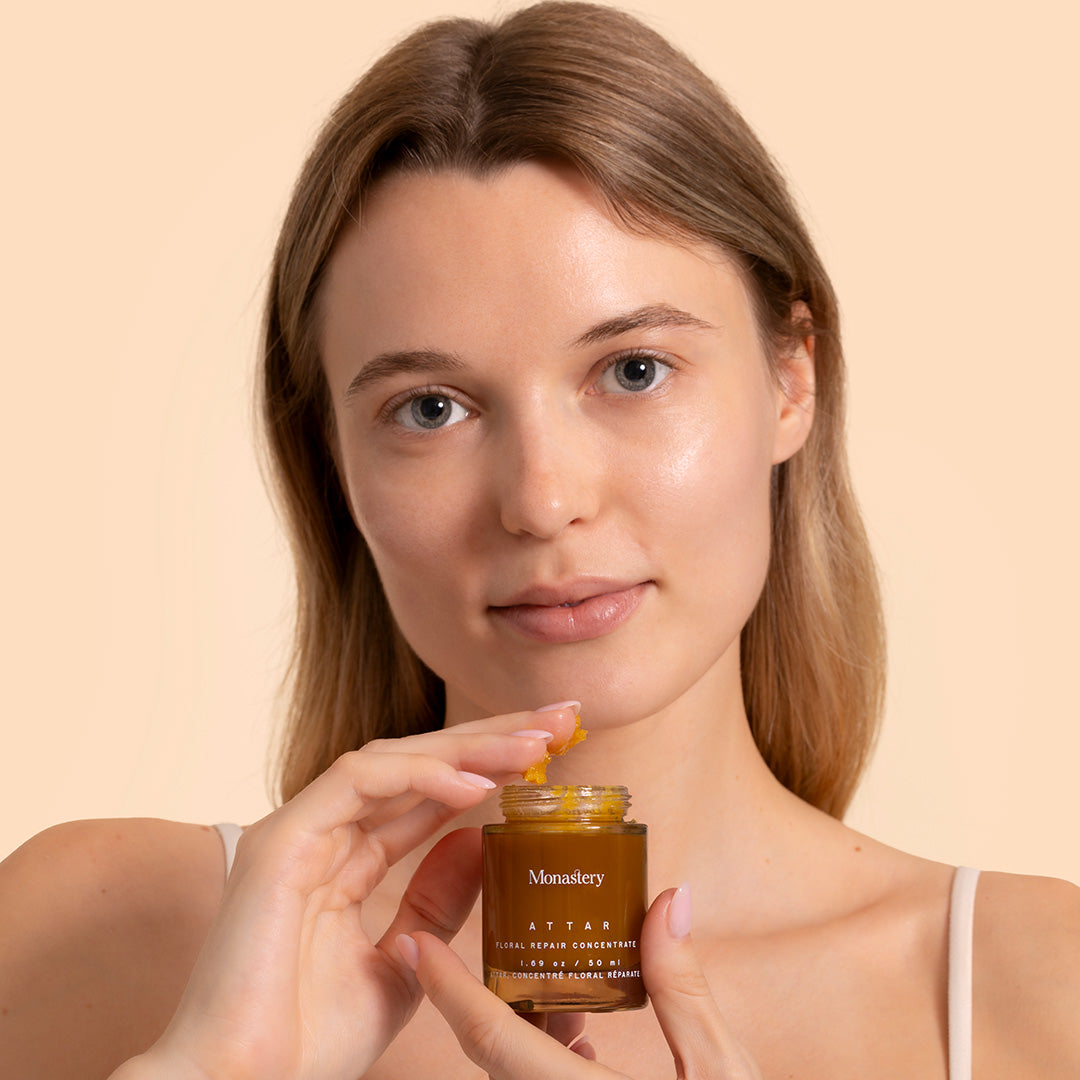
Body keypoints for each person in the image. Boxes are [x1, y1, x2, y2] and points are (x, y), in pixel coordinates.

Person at [2, 2, 1077, 1077]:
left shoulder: (1036, 990)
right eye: (430, 408)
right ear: (330, 452)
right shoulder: (104, 941)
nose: (542, 500)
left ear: (791, 377)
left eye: (635, 370)